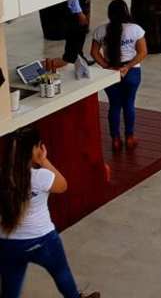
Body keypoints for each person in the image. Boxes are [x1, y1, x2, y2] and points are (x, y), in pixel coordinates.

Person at [0, 126, 100, 298]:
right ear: (34, 150)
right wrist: (44, 160)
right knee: (61, 273)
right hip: (42, 239)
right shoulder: (41, 177)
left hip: (7, 241)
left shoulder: (2, 175)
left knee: (10, 290)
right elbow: (63, 185)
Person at [89, 0, 147, 153]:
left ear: (110, 13)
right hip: (131, 71)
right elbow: (143, 52)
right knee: (129, 104)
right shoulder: (135, 29)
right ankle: (129, 137)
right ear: (125, 11)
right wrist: (127, 66)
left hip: (110, 71)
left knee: (114, 105)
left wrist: (107, 67)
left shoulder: (100, 31)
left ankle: (115, 139)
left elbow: (94, 53)